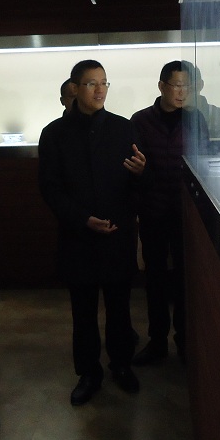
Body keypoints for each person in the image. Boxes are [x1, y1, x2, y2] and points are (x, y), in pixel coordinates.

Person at [38, 59, 147, 406]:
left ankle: (121, 365)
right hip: (78, 235)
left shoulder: (123, 128)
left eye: (104, 83)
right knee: (82, 311)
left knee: (119, 308)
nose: (99, 90)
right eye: (91, 84)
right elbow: (50, 189)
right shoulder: (54, 133)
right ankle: (88, 373)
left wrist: (141, 173)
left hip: (117, 234)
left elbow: (136, 188)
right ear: (74, 88)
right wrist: (82, 219)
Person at [130, 61, 209, 367]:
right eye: (176, 85)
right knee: (155, 278)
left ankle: (185, 340)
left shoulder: (195, 119)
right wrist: (144, 175)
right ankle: (157, 341)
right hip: (153, 211)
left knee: (184, 279)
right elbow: (135, 168)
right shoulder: (141, 120)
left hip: (185, 211)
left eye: (187, 86)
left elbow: (203, 162)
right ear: (162, 86)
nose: (181, 92)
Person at [187, 62, 220, 150]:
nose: (181, 90)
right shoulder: (169, 118)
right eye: (176, 86)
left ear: (200, 85)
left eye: (186, 85)